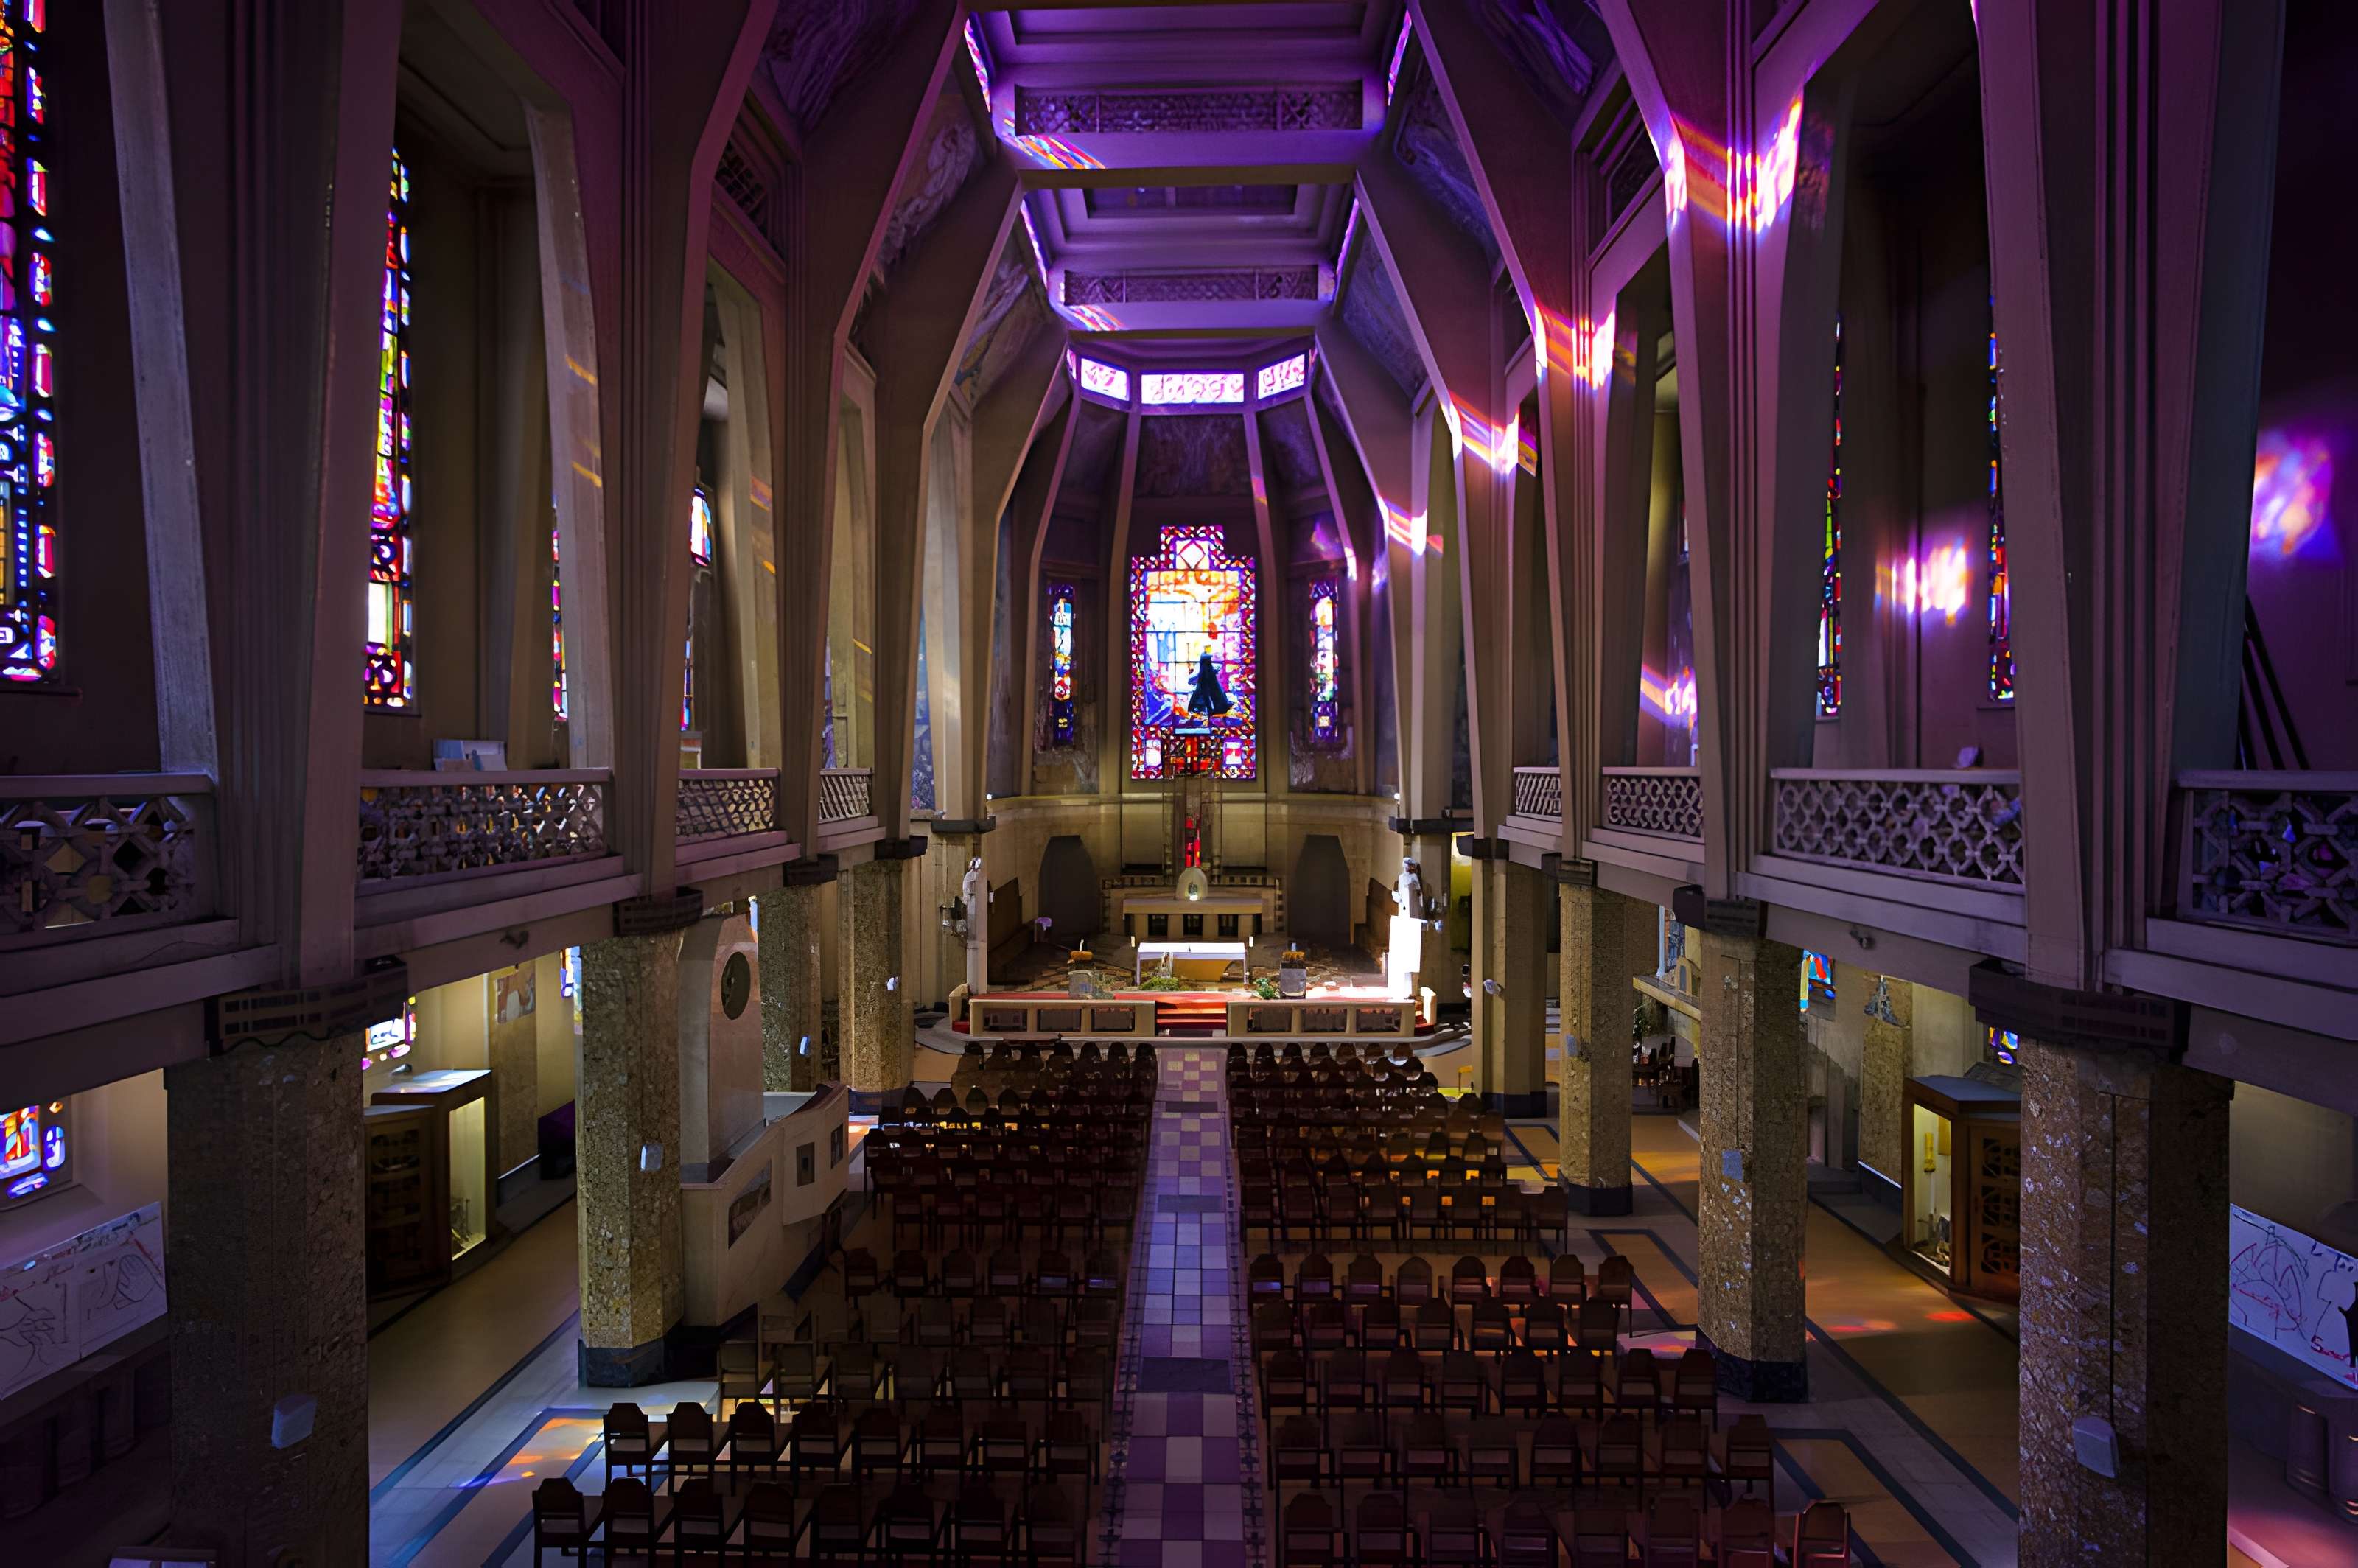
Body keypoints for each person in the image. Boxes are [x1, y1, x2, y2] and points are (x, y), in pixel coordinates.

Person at [1186, 648, 1233, 718]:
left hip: (1209, 705)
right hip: (1206, 705)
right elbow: (1191, 681)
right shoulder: (1205, 674)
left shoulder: (1210, 677)